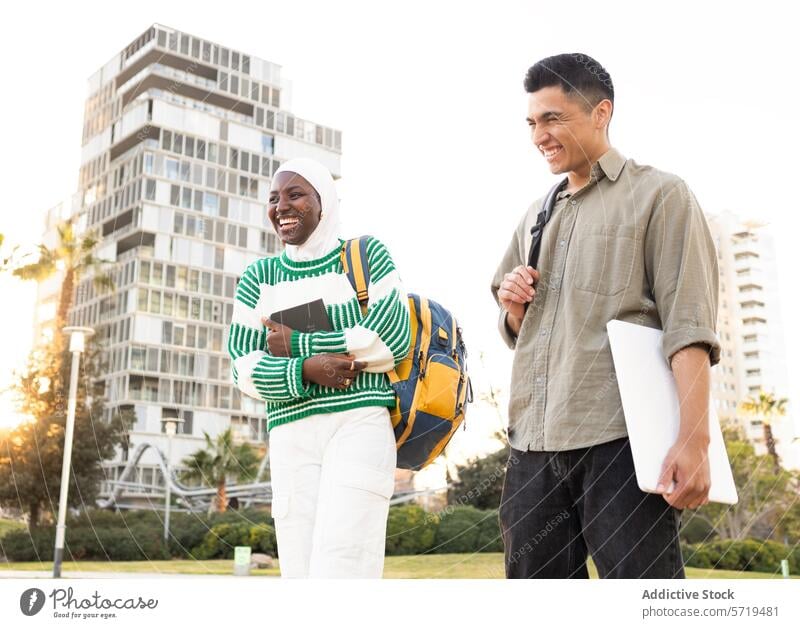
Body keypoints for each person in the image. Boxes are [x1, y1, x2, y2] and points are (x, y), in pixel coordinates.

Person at [490, 53, 721, 578]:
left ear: (601, 113)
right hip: (532, 449)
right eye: (531, 122)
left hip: (621, 445)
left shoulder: (660, 195)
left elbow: (689, 325)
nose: (538, 136)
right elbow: (514, 330)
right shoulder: (534, 215)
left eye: (553, 118)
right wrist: (512, 308)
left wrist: (694, 440)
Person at [227, 157, 411, 578]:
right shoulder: (260, 277)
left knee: (345, 561)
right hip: (291, 435)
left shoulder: (364, 256)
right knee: (300, 570)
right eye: (274, 199)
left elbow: (388, 339)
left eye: (296, 195)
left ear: (323, 203)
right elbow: (242, 366)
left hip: (358, 423)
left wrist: (298, 345)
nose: (281, 206)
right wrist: (306, 370)